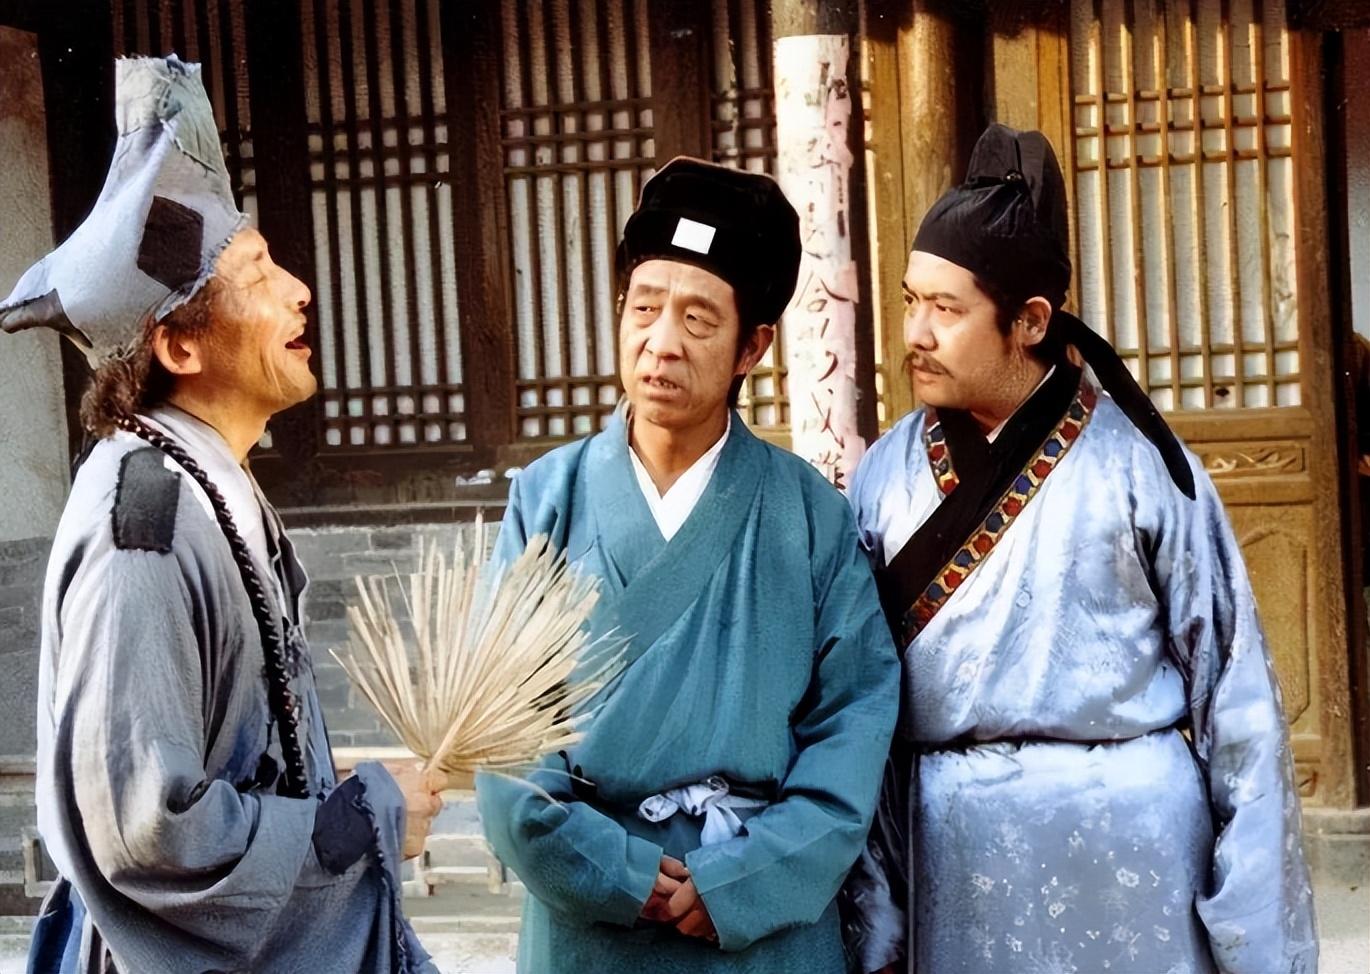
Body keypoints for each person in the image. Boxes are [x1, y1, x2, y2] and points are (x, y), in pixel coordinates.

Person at [840, 124, 1317, 974]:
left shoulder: (1140, 467)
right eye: (911, 301)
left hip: (1134, 858)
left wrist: (1252, 929)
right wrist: (878, 908)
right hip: (954, 855)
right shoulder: (885, 478)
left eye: (946, 310)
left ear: (1029, 321)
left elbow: (1235, 696)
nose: (916, 332)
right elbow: (858, 703)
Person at [1, 56, 443, 973]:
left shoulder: (208, 485)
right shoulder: (145, 526)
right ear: (178, 346)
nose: (298, 289)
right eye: (257, 273)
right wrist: (361, 820)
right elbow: (147, 825)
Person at [474, 157, 901, 972]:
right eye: (644, 307)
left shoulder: (809, 514)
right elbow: (499, 732)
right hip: (591, 922)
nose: (661, 343)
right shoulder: (547, 499)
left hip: (758, 921)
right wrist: (614, 870)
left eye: (698, 319)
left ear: (752, 347)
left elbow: (855, 719)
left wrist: (749, 877)